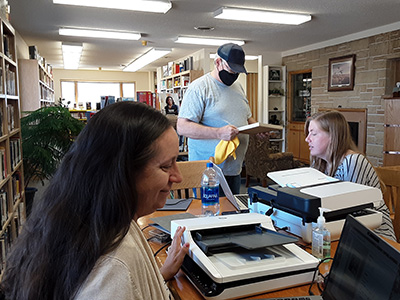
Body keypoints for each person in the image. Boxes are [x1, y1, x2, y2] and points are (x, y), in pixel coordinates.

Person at [1, 102, 189, 299]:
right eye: (166, 166)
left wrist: (158, 276)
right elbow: (114, 285)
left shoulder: (88, 222)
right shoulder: (113, 269)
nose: (178, 177)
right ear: (121, 174)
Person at [177, 43, 256, 195]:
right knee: (209, 215)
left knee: (232, 215)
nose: (234, 74)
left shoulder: (238, 87)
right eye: (231, 69)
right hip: (208, 173)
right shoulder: (199, 87)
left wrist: (257, 129)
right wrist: (219, 133)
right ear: (218, 62)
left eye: (238, 71)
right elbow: (182, 127)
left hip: (234, 169)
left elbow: (247, 116)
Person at [305, 110, 396, 241]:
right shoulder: (321, 164)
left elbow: (351, 213)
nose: (307, 139)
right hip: (341, 232)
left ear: (333, 136)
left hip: (376, 239)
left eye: (313, 133)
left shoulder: (353, 162)